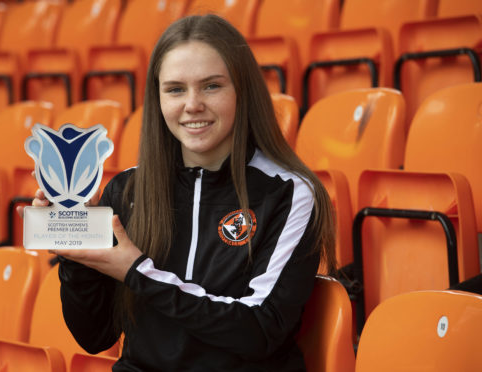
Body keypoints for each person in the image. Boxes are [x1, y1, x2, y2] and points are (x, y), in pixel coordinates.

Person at [26, 14, 336, 371]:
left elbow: (259, 330)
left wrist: (138, 271)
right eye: (175, 89)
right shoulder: (127, 190)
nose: (192, 105)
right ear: (158, 99)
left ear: (243, 91)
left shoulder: (289, 193)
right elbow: (95, 337)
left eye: (211, 86)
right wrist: (77, 257)